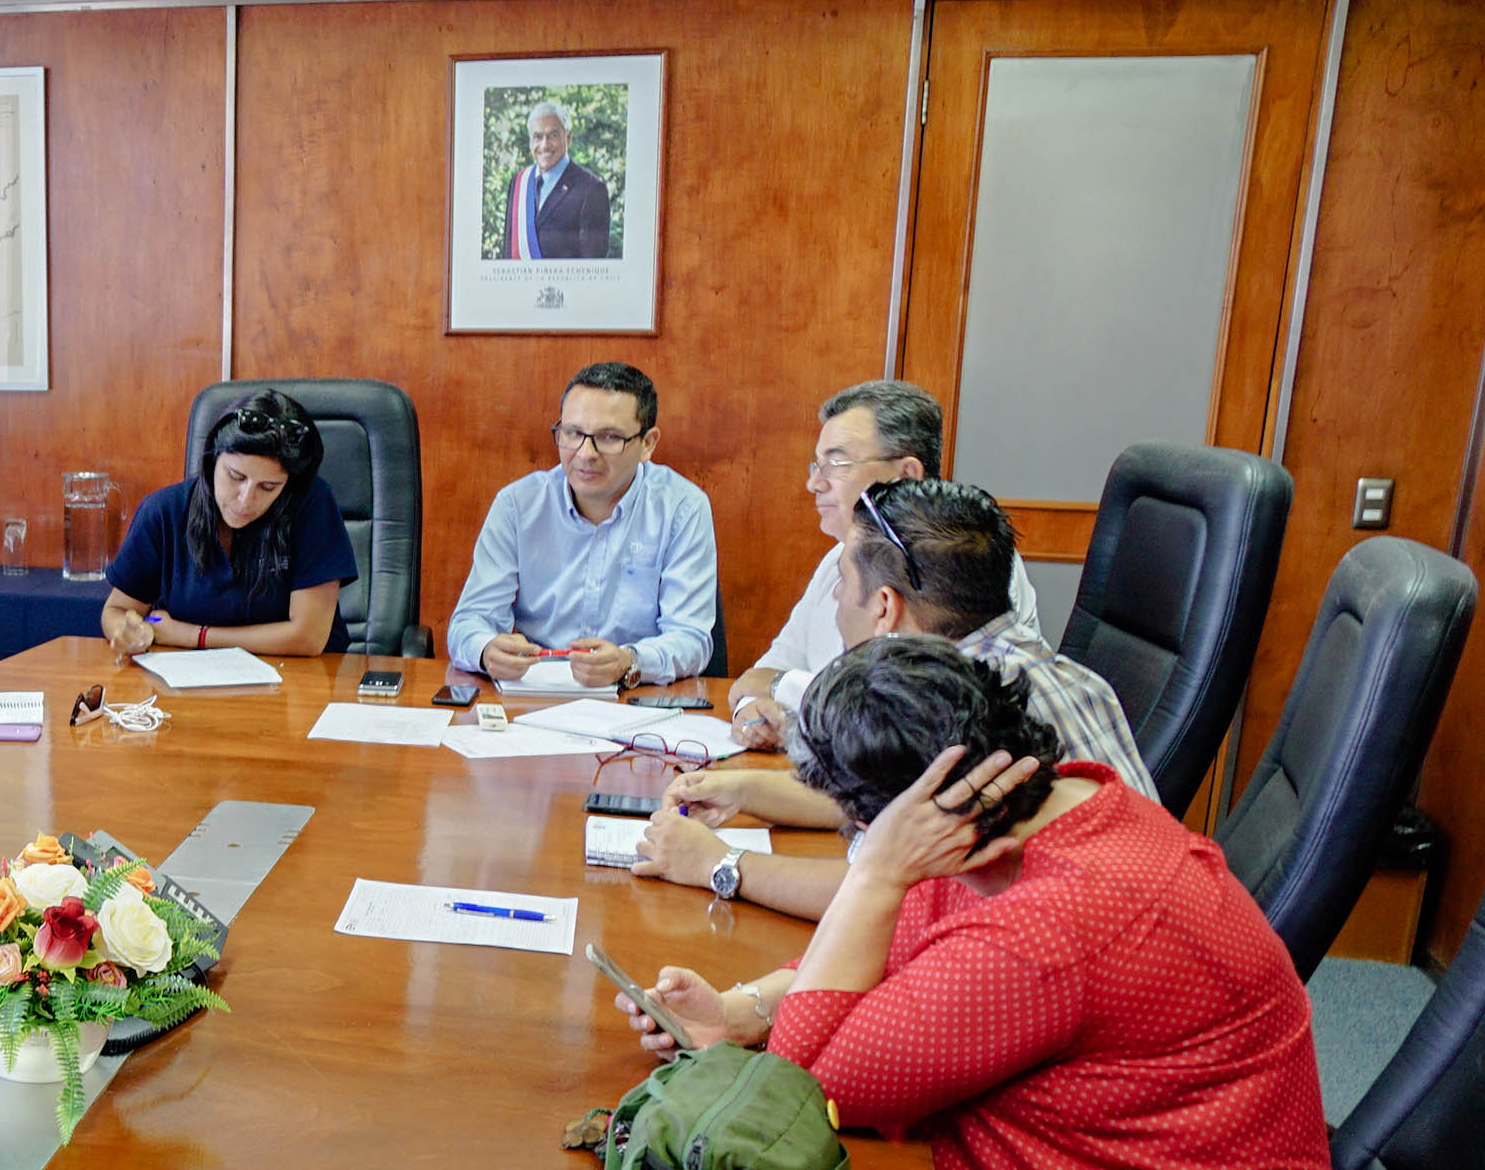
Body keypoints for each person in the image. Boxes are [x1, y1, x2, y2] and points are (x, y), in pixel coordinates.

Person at [614, 637, 1348, 1170]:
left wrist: (875, 874)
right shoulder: (1071, 805)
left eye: (861, 828)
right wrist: (744, 1011)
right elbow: (919, 942)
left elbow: (809, 1092)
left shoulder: (1052, 928)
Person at [624, 478, 1152, 919]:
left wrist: (721, 864)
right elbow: (903, 806)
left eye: (843, 578)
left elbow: (893, 897)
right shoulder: (1051, 673)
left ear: (884, 606)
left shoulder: (972, 711)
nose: (834, 595)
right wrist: (744, 789)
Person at [728, 380, 1037, 750]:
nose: (814, 483)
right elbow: (765, 670)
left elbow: (921, 717)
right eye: (817, 464)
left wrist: (783, 687)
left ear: (906, 475)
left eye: (836, 463)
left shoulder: (968, 563)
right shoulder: (839, 558)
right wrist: (752, 711)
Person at [446, 361, 715, 687]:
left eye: (609, 437)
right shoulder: (519, 505)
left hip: (634, 701)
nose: (586, 453)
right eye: (572, 433)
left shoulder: (682, 508)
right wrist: (486, 649)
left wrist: (628, 660)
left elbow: (691, 638)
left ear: (648, 443)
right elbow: (469, 621)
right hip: (534, 696)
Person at [101, 388, 357, 658]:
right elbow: (115, 611)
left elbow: (308, 637)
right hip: (186, 684)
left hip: (299, 683)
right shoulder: (164, 511)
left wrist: (193, 636)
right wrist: (130, 633)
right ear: (212, 461)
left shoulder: (310, 503)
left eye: (268, 487)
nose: (246, 500)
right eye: (236, 477)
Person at [505, 100, 613, 259]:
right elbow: (508, 253)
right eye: (537, 137)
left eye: (553, 135)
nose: (544, 145)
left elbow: (593, 270)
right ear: (530, 141)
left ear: (568, 137)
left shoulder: (591, 189)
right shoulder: (519, 183)